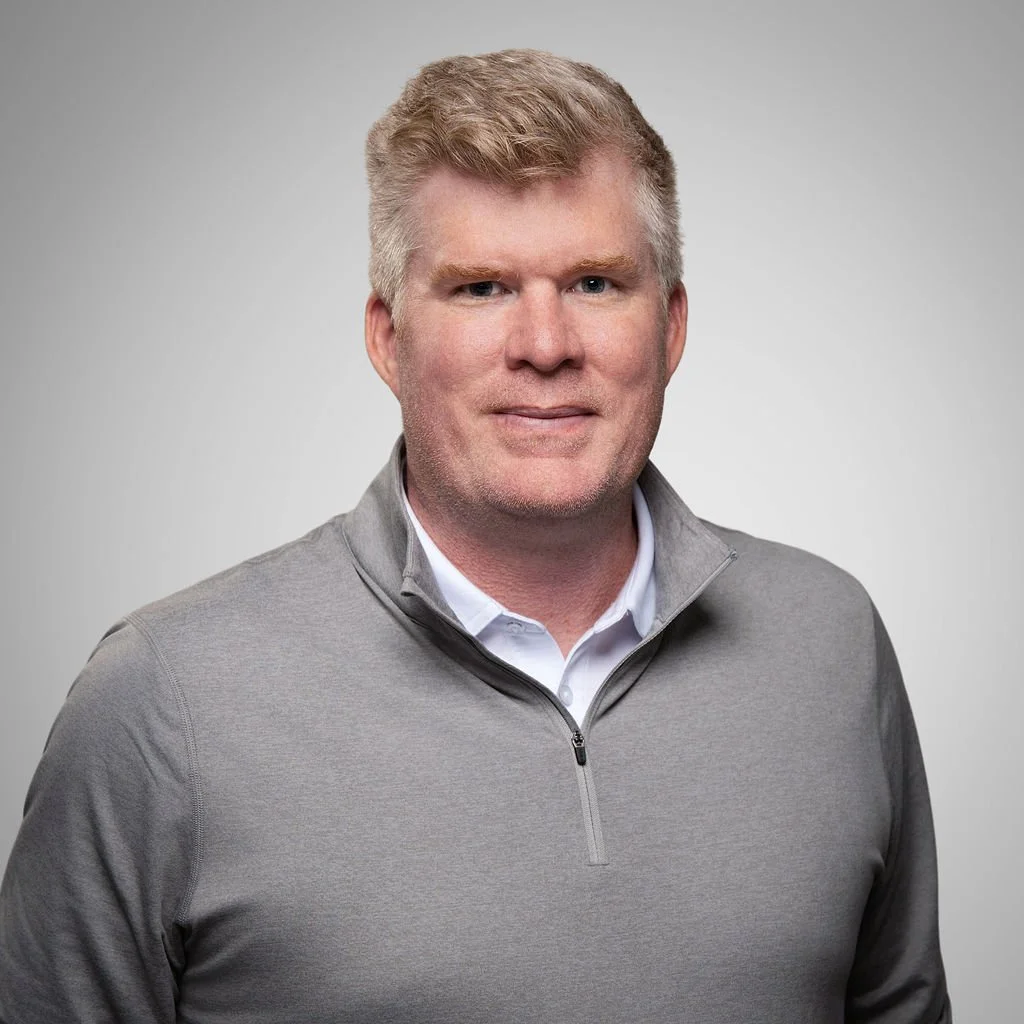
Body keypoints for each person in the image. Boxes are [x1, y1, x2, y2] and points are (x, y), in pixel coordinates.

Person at [0, 49, 951, 1023]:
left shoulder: (828, 642)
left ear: (668, 328)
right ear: (386, 337)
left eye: (593, 282)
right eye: (480, 288)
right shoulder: (166, 702)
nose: (544, 345)